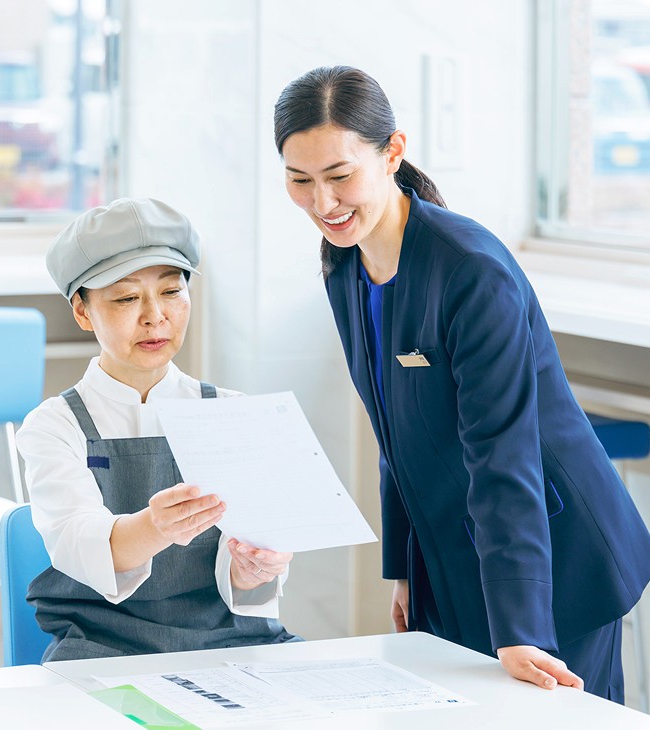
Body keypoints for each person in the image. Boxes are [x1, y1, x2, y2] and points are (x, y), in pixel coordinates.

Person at [273, 64, 650, 703]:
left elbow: (504, 454)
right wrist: (404, 571)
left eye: (339, 177)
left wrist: (522, 624)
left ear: (393, 153)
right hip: (456, 557)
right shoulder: (345, 267)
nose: (323, 204)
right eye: (299, 181)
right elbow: (394, 437)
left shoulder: (471, 272)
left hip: (553, 562)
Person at [17, 197, 300, 661]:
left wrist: (253, 571)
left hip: (236, 646)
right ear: (82, 312)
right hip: (103, 649)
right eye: (127, 298)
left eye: (172, 292)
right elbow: (80, 545)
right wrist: (157, 525)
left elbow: (249, 586)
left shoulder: (233, 412)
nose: (155, 316)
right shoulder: (54, 425)